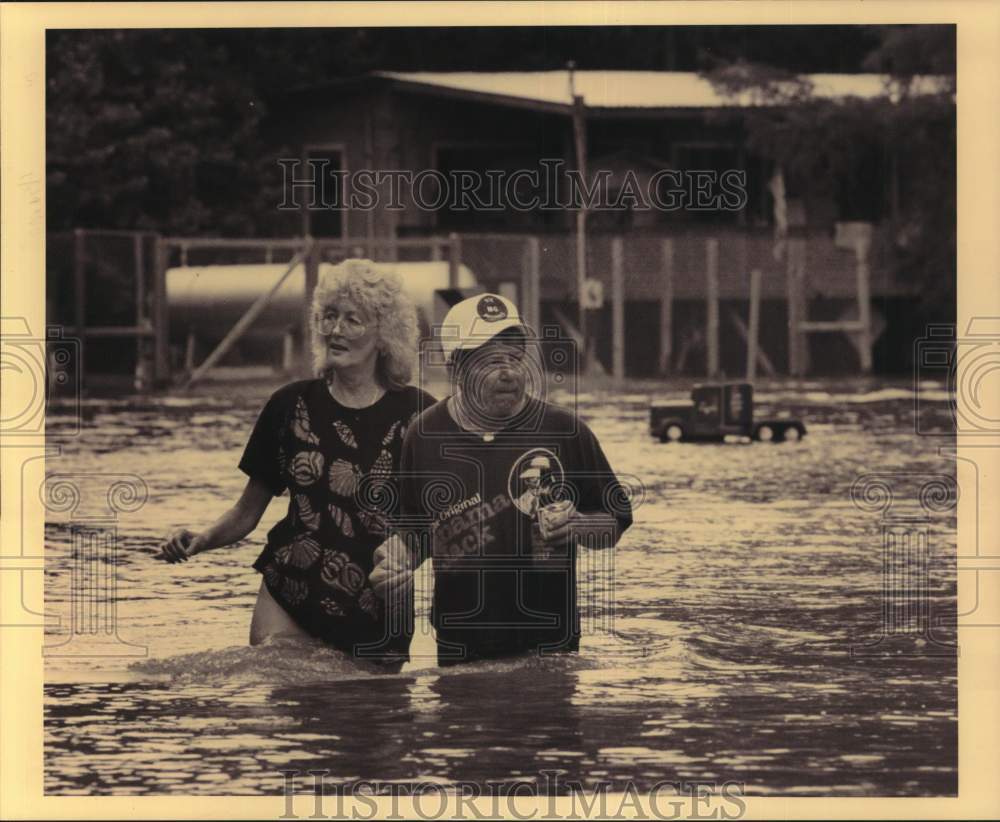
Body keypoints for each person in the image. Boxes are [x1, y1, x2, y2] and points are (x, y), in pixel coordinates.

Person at [159, 259, 435, 668]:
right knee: (286, 711)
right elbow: (246, 512)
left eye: (352, 320)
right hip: (290, 593)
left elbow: (440, 521)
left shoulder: (420, 416)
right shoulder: (289, 405)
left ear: (384, 336)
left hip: (377, 608)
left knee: (378, 721)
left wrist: (407, 559)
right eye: (329, 316)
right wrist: (202, 539)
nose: (335, 330)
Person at [370, 293, 632, 666]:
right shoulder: (423, 434)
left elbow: (614, 524)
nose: (508, 371)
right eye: (490, 360)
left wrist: (579, 526)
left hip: (549, 650)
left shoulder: (566, 431)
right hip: (459, 649)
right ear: (455, 368)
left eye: (515, 356)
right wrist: (393, 567)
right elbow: (413, 535)